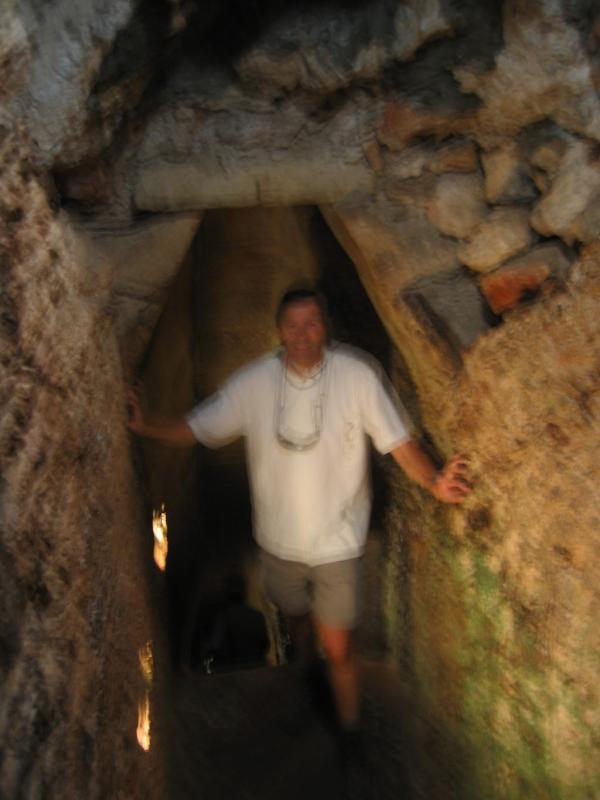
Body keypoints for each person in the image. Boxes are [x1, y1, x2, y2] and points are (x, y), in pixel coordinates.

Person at [127, 286, 469, 736]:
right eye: (293, 325)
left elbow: (399, 442)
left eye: (312, 323)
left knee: (342, 648)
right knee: (295, 618)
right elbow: (198, 426)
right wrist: (147, 425)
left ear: (325, 326)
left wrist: (435, 481)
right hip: (279, 541)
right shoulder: (254, 382)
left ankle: (348, 735)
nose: (303, 334)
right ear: (279, 331)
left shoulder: (358, 375)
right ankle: (305, 671)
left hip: (338, 542)